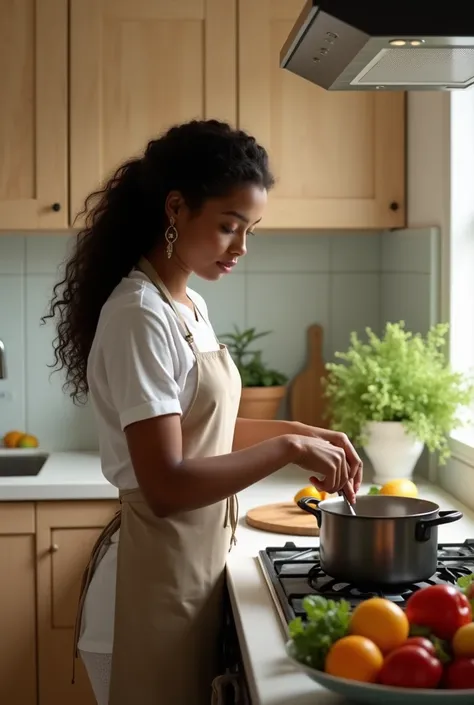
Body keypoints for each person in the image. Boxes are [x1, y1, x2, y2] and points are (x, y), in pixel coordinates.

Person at [44, 119, 363, 705]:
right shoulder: (140, 315)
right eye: (227, 226)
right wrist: (288, 449)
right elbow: (164, 483)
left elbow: (204, 430)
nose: (241, 246)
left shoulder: (186, 303)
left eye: (249, 229)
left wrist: (303, 430)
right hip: (146, 589)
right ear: (176, 208)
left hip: (191, 570)